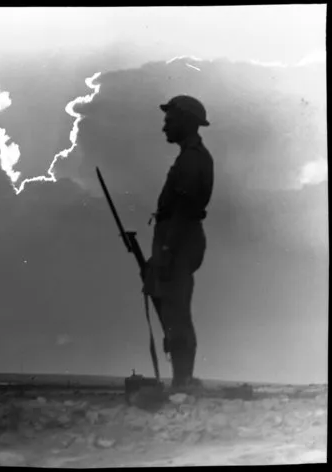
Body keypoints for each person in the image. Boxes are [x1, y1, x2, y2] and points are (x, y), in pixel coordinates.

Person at [144, 95, 214, 391]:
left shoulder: (192, 159)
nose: (164, 128)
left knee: (176, 312)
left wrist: (165, 252)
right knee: (172, 310)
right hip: (177, 240)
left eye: (169, 121)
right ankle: (181, 379)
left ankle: (183, 381)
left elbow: (183, 212)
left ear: (185, 122)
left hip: (179, 241)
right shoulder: (191, 156)